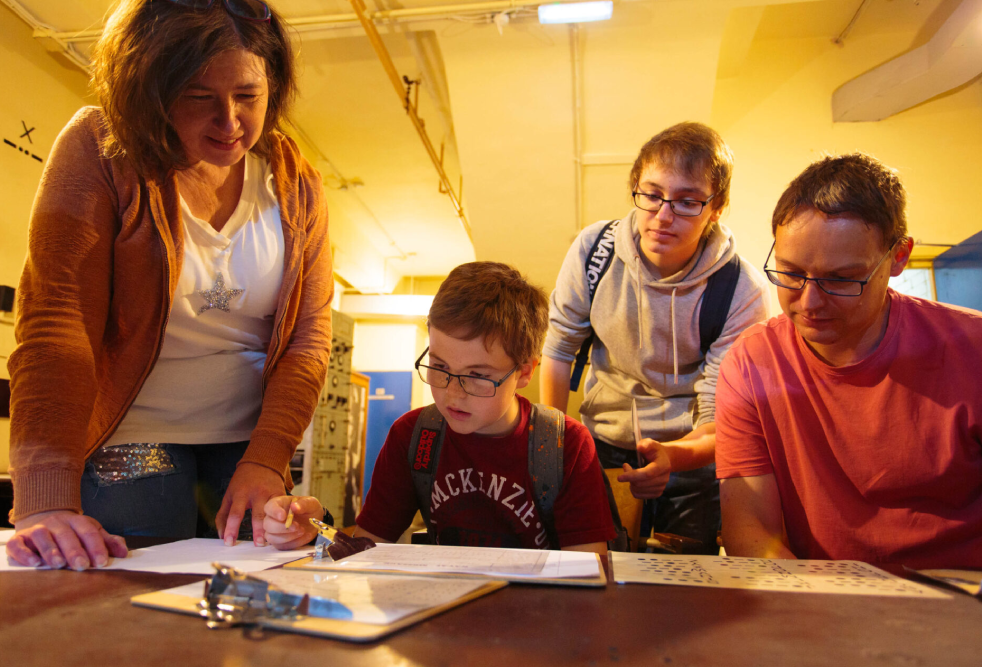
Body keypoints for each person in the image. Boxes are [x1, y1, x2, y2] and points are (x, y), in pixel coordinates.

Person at [5, 0, 333, 571]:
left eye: (248, 96)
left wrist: (268, 459)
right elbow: (56, 322)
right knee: (136, 580)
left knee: (266, 577)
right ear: (149, 89)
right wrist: (45, 497)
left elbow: (308, 336)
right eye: (199, 97)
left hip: (249, 442)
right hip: (131, 433)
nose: (229, 122)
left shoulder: (296, 180)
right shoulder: (101, 147)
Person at [716, 153, 982, 568]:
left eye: (840, 279)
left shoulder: (973, 349)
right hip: (823, 604)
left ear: (898, 257)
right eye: (791, 273)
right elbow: (750, 530)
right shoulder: (752, 363)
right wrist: (818, 609)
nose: (809, 303)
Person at [265, 262, 616, 552]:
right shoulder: (413, 436)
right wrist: (315, 527)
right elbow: (368, 548)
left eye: (478, 375)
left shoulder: (563, 444)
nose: (452, 393)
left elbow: (587, 571)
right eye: (440, 367)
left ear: (524, 372)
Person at [539, 123, 771, 553]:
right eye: (651, 195)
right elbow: (559, 347)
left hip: (692, 458)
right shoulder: (594, 251)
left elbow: (719, 407)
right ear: (635, 189)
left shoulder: (742, 290)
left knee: (682, 589)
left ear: (716, 208)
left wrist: (676, 457)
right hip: (600, 444)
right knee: (595, 576)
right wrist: (549, 447)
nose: (663, 216)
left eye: (687, 201)